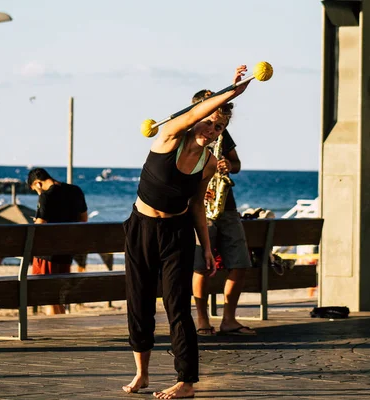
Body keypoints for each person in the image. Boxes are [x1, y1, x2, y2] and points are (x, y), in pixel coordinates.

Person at [122, 65, 251, 399]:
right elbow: (196, 112)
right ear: (197, 117)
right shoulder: (169, 137)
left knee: (177, 307)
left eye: (219, 127)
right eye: (209, 121)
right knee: (139, 304)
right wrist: (230, 91)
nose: (212, 129)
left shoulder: (208, 162)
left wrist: (206, 247)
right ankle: (142, 373)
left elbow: (196, 205)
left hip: (177, 231)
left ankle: (186, 381)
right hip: (141, 228)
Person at [191, 89, 257, 337]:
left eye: (220, 124)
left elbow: (237, 164)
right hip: (200, 209)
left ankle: (229, 319)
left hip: (226, 207)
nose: (215, 128)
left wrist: (230, 165)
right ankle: (202, 319)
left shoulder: (222, 135)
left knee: (240, 263)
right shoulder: (188, 135)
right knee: (200, 267)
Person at [27, 167, 88, 315]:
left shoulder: (45, 196)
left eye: (35, 190)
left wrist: (36, 221)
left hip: (47, 254)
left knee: (48, 295)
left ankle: (54, 327)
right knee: (58, 294)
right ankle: (61, 324)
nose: (38, 193)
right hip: (66, 251)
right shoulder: (75, 191)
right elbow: (84, 219)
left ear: (38, 184)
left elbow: (40, 226)